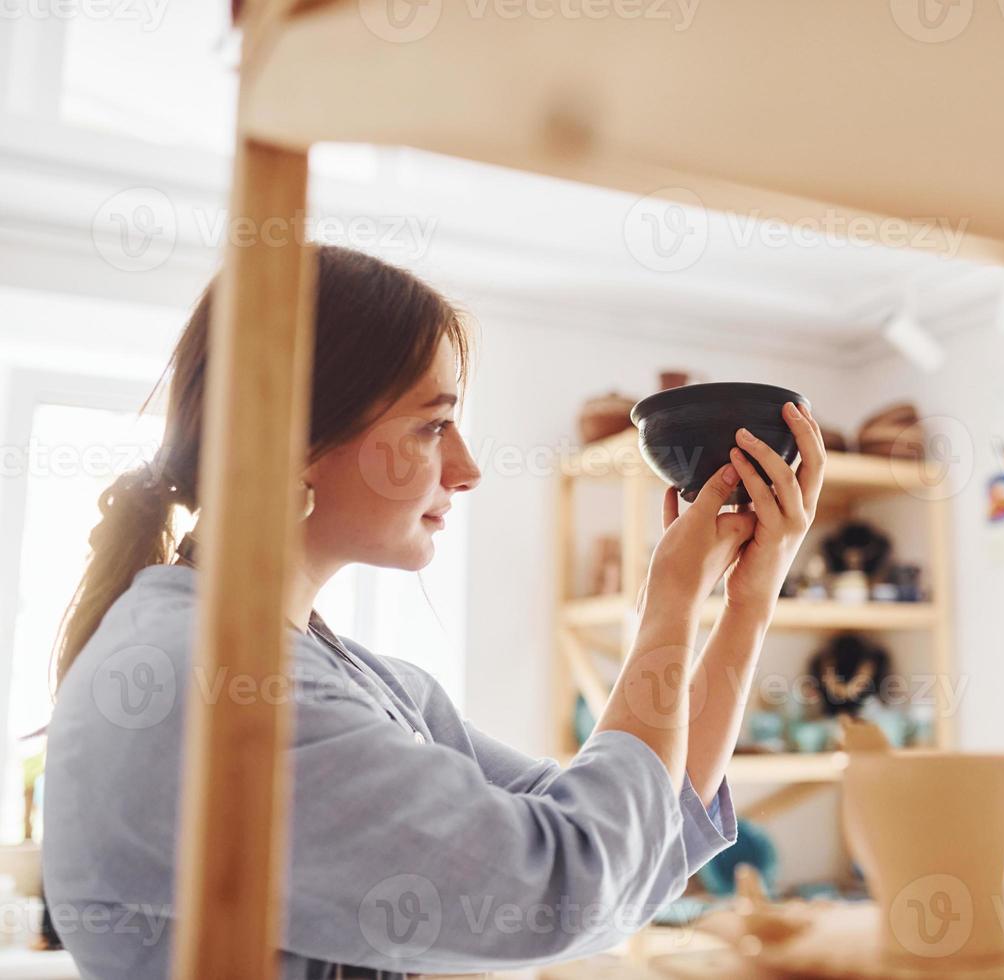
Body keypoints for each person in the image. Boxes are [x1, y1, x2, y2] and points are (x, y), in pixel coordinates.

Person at [40, 246, 826, 978]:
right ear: (296, 438)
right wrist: (669, 607)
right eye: (432, 425)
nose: (469, 468)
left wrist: (746, 605)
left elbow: (638, 840)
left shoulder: (362, 682)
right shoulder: (213, 682)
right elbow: (573, 881)